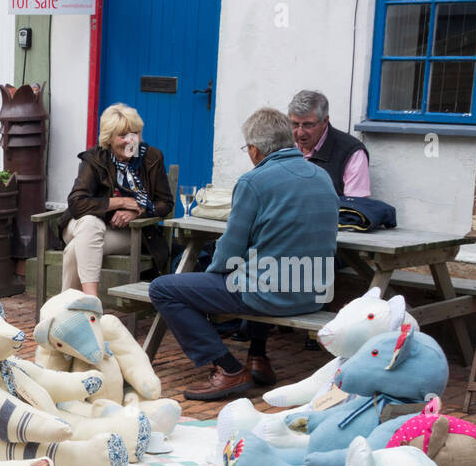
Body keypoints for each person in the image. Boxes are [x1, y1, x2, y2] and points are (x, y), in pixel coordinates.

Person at [148, 108, 339, 401]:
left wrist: (210, 283)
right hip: (315, 292)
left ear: (255, 149)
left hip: (271, 294)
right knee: (259, 269)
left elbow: (230, 249)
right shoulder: (322, 177)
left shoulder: (254, 182)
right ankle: (257, 357)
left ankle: (229, 369)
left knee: (163, 288)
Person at [59, 103, 174, 298]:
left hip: (127, 233)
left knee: (75, 250)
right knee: (89, 224)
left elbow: (165, 203)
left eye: (135, 133)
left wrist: (137, 211)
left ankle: (74, 309)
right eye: (123, 135)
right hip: (80, 225)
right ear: (109, 138)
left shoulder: (152, 158)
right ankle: (93, 300)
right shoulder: (95, 158)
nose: (131, 141)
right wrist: (120, 202)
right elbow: (78, 203)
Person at [289, 90, 370, 198]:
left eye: (308, 125)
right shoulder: (285, 145)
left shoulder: (351, 153)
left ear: (325, 121)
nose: (300, 132)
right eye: (294, 124)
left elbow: (355, 206)